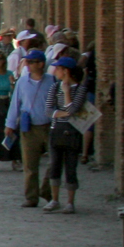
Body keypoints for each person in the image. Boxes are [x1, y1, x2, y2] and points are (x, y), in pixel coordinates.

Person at [4, 50, 58, 208]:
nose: (27, 64)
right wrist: (10, 124)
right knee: (29, 165)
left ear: (41, 64)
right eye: (27, 62)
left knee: (53, 162)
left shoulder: (52, 81)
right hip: (30, 128)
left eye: (30, 62)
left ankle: (46, 190)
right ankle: (31, 197)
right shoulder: (22, 82)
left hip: (49, 126)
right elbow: (15, 104)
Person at [45, 56, 90, 213]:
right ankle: (55, 199)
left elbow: (73, 109)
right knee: (55, 166)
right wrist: (65, 113)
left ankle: (70, 202)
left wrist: (66, 93)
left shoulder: (80, 89)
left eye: (58, 68)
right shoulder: (54, 87)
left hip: (73, 132)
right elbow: (49, 111)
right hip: (56, 130)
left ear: (65, 71)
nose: (55, 71)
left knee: (71, 167)